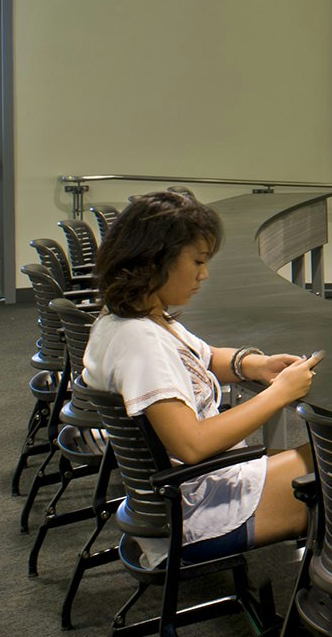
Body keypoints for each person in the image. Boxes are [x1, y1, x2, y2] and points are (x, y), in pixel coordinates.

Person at [81, 190, 317, 562]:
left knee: (328, 460)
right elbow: (191, 444)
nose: (203, 274)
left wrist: (254, 365)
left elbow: (204, 357)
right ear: (155, 260)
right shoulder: (142, 344)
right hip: (197, 509)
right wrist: (279, 394)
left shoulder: (125, 320)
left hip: (178, 496)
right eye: (197, 261)